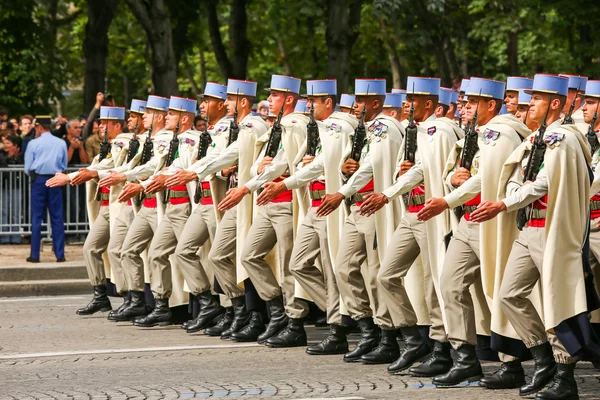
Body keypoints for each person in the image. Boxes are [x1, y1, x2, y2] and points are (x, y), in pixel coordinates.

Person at [470, 74, 599, 399]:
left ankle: (565, 376)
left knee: (557, 300)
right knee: (509, 294)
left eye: (537, 100)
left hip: (553, 231)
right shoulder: (537, 138)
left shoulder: (563, 139)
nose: (529, 106)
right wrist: (511, 191)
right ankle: (542, 359)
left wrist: (503, 202)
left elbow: (544, 184)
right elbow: (518, 174)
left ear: (554, 103)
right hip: (531, 229)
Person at [417, 77, 532, 388]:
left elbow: (487, 179)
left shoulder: (504, 133)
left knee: (497, 289)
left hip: (493, 222)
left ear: (490, 105)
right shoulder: (475, 134)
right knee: (449, 284)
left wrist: (449, 197)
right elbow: (452, 171)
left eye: (473, 102)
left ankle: (513, 362)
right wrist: (453, 178)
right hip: (468, 221)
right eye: (465, 101)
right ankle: (464, 358)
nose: (465, 107)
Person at [356, 77, 462, 371]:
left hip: (432, 213)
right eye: (407, 99)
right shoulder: (414, 131)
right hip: (411, 212)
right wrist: (391, 189)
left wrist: (409, 178)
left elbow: (439, 171)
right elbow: (411, 171)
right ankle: (413, 339)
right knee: (386, 275)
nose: (407, 104)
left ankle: (440, 349)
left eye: (413, 99)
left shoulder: (440, 131)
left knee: (433, 283)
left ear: (429, 103)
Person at [255, 78, 358, 351]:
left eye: (315, 101)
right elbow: (296, 162)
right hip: (314, 204)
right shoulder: (319, 128)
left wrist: (286, 180)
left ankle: (338, 329)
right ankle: (344, 313)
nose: (309, 105)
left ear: (329, 103)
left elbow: (328, 163)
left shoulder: (338, 126)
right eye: (308, 100)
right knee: (298, 264)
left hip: (329, 203)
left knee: (331, 266)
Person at [166, 79, 269, 339]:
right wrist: (197, 171)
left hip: (236, 200)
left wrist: (203, 171)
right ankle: (228, 309)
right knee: (209, 255)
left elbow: (228, 159)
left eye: (228, 99)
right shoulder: (235, 127)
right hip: (219, 199)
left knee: (234, 257)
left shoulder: (249, 126)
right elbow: (219, 157)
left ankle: (248, 313)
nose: (206, 105)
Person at [315, 78, 404, 364]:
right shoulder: (365, 130)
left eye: (362, 101)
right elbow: (360, 166)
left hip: (374, 207)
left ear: (376, 103)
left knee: (375, 274)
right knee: (344, 267)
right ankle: (367, 329)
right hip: (357, 206)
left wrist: (343, 190)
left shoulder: (384, 128)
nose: (356, 105)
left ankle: (387, 335)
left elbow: (372, 168)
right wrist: (344, 171)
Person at [217, 74, 309, 344]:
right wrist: (258, 169)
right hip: (268, 202)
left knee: (288, 265)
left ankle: (295, 323)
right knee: (249, 256)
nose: (268, 100)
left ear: (289, 99)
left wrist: (247, 186)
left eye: (274, 96)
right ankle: (277, 311)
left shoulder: (296, 125)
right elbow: (265, 161)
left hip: (285, 202)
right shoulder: (278, 126)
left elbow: (282, 164)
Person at [47, 107, 131, 315]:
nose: (100, 126)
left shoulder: (125, 142)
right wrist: (72, 176)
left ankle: (130, 298)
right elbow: (99, 166)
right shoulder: (111, 145)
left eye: (105, 123)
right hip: (106, 205)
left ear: (118, 125)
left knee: (117, 251)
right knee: (90, 248)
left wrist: (69, 178)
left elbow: (107, 168)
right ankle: (100, 296)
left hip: (120, 205)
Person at [97, 95, 173, 323]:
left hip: (160, 204)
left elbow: (151, 167)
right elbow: (130, 165)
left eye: (145, 113)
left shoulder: (166, 139)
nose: (140, 118)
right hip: (144, 203)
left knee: (160, 254)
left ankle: (162, 304)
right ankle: (136, 299)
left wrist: (125, 175)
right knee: (126, 250)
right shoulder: (145, 139)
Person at [24, 116, 67, 263]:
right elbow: (64, 164)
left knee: (36, 218)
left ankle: (35, 255)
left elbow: (28, 167)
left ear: (40, 127)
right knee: (57, 218)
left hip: (39, 180)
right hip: (56, 179)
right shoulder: (60, 143)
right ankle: (60, 254)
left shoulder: (33, 143)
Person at [0, 134, 24, 244]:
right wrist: (8, 157)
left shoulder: (20, 156)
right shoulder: (1, 154)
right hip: (4, 187)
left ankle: (15, 238)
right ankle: (4, 237)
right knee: (4, 211)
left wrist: (13, 157)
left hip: (16, 186)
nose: (5, 145)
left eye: (8, 143)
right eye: (4, 143)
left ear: (15, 146)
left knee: (15, 212)